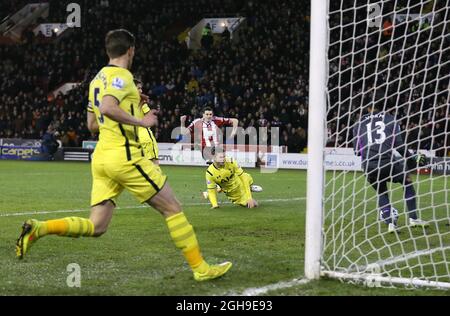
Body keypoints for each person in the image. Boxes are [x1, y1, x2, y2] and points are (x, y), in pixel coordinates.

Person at [15, 29, 232, 282]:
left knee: (97, 226)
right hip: (125, 157)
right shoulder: (123, 75)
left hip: (102, 159)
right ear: (131, 50)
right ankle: (201, 268)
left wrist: (130, 101)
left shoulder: (97, 79)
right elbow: (108, 107)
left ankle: (39, 229)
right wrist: (142, 121)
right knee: (173, 208)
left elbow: (92, 124)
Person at [352, 93, 428, 232]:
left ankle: (390, 224)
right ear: (383, 106)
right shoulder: (390, 119)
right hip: (386, 162)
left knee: (382, 192)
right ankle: (413, 218)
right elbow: (398, 145)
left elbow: (357, 151)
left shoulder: (358, 124)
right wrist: (413, 157)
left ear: (367, 107)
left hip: (369, 165)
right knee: (407, 180)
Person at [135, 78, 160, 166]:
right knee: (154, 164)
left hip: (134, 137)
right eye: (138, 88)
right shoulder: (141, 101)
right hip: (145, 136)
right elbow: (149, 117)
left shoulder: (125, 102)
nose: (141, 90)